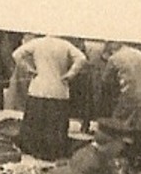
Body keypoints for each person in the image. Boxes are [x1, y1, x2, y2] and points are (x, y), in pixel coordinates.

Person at [12, 32, 87, 160]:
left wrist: (29, 69)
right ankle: (53, 152)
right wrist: (71, 74)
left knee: (35, 121)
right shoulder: (65, 44)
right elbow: (82, 58)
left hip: (38, 87)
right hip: (59, 88)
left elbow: (16, 54)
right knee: (55, 123)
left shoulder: (37, 42)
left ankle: (31, 150)